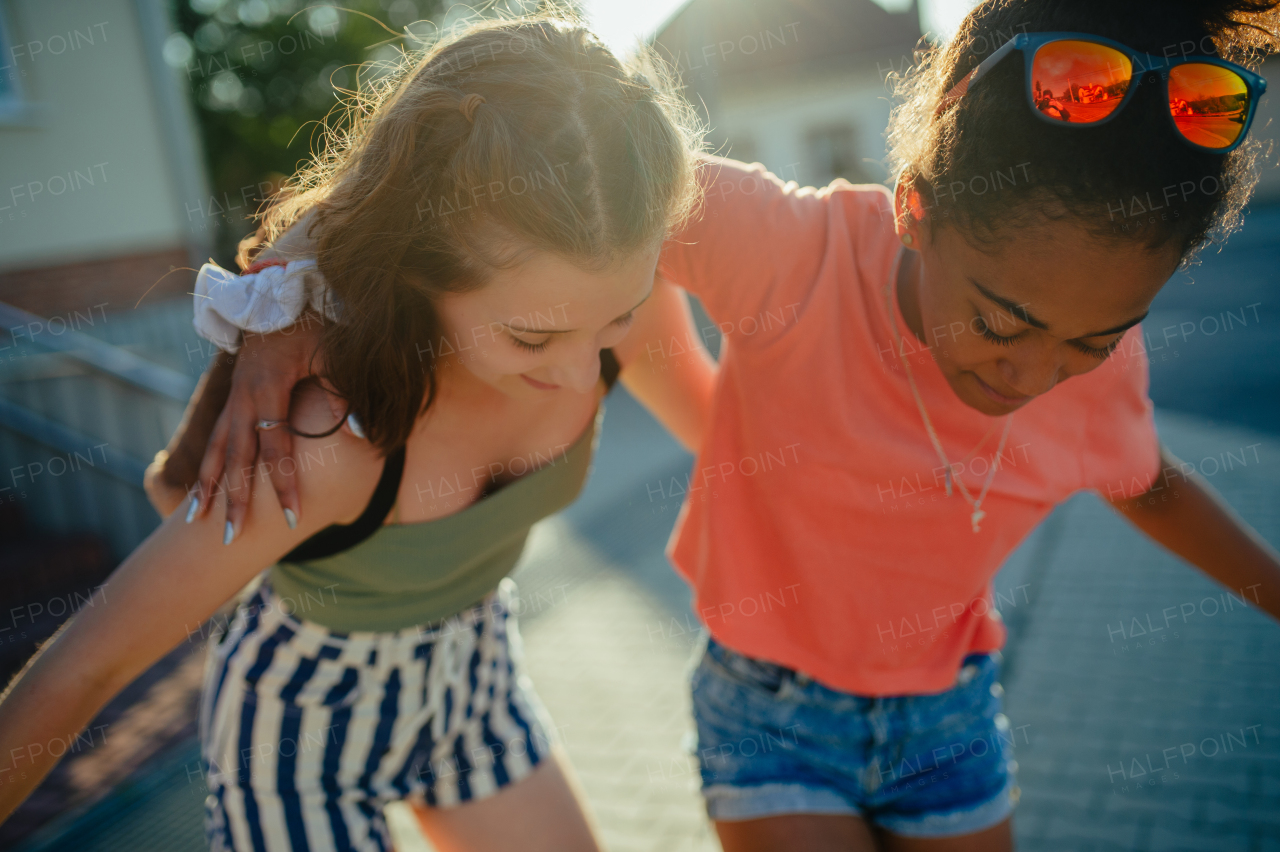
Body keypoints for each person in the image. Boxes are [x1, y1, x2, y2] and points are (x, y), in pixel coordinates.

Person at [173, 0, 1280, 850]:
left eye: (1094, 339)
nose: (1039, 372)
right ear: (915, 211)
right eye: (1000, 320)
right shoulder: (789, 251)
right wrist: (285, 294)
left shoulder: (1097, 375)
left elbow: (1149, 484)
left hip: (952, 722)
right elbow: (490, 171)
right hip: (769, 720)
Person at [0, 15, 718, 852]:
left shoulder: (598, 279)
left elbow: (728, 429)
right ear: (419, 267)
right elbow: (85, 666)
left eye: (618, 318)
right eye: (530, 339)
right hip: (302, 730)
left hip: (472, 673)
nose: (576, 370)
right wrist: (277, 297)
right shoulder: (330, 433)